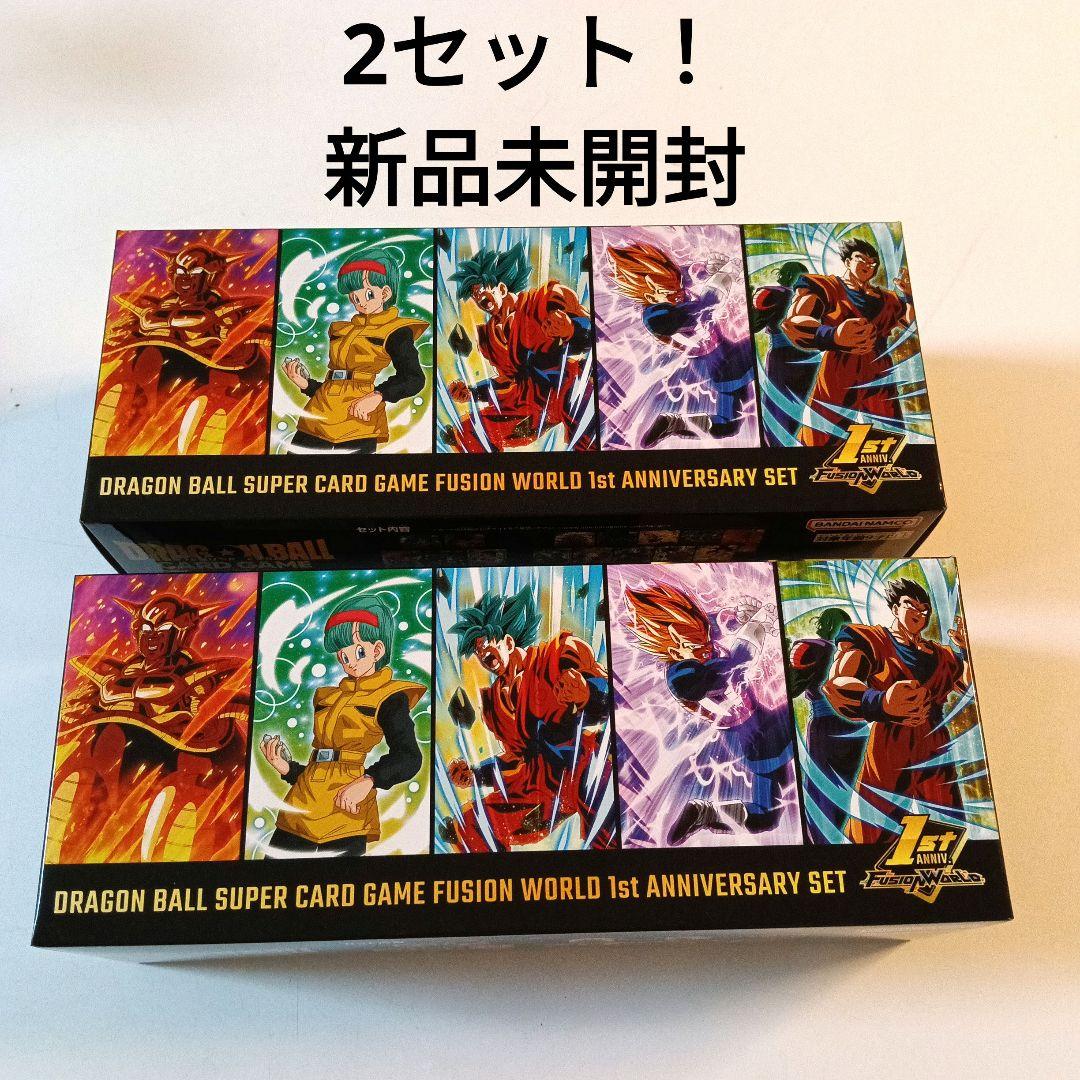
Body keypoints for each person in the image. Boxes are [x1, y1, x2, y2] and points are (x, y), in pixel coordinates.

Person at [439, 586, 614, 851]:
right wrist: (476, 774)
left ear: (509, 642)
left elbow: (611, 697)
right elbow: (515, 760)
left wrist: (588, 693)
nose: (482, 654)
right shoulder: (495, 705)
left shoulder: (556, 656)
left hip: (583, 766)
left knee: (608, 836)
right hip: (540, 788)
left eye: (486, 644)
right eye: (477, 650)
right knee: (472, 826)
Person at [622, 583, 792, 843]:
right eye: (697, 645)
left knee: (767, 815)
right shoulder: (682, 676)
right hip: (751, 739)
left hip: (761, 719)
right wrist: (754, 629)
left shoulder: (695, 638)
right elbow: (733, 665)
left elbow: (714, 624)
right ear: (674, 649)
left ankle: (705, 813)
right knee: (798, 723)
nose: (707, 647)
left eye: (705, 639)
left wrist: (738, 614)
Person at [260, 597, 424, 856]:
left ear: (377, 650)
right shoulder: (327, 696)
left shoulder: (390, 698)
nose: (350, 662)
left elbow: (409, 756)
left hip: (346, 807)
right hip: (301, 806)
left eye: (358, 652)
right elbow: (323, 765)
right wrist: (287, 768)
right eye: (343, 656)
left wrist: (370, 780)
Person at [823, 577, 970, 843]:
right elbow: (839, 683)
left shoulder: (942, 655)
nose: (919, 613)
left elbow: (966, 684)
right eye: (910, 605)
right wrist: (880, 702)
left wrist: (966, 652)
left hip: (934, 745)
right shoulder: (871, 640)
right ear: (894, 608)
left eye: (924, 609)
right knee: (874, 831)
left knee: (946, 832)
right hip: (890, 745)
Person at [443, 243, 594, 451]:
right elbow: (507, 381)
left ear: (501, 288)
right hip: (530, 404)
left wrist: (571, 329)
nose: (477, 298)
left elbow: (593, 333)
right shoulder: (490, 338)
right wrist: (473, 392)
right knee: (469, 432)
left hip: (568, 388)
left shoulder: (542, 301)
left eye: (480, 290)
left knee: (589, 438)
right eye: (473, 295)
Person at [606, 241, 754, 447]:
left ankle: (674, 423)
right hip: (718, 365)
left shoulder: (668, 286)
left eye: (678, 287)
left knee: (728, 425)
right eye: (672, 293)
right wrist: (722, 278)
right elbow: (704, 306)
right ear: (649, 295)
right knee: (757, 353)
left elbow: (686, 275)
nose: (680, 293)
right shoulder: (657, 317)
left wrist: (708, 267)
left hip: (725, 352)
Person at [283, 251, 427, 453]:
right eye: (353, 297)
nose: (360, 302)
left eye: (368, 294)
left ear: (385, 293)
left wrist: (379, 395)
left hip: (359, 417)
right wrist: (306, 384)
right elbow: (338, 383)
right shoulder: (342, 329)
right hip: (319, 414)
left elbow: (414, 378)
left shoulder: (396, 331)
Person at [780, 237, 914, 447]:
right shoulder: (827, 287)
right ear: (847, 261)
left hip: (879, 374)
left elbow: (908, 321)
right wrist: (832, 336)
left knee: (888, 442)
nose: (869, 266)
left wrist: (909, 297)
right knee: (821, 440)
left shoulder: (888, 299)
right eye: (862, 259)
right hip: (839, 372)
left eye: (873, 263)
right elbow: (795, 321)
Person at [787, 606, 866, 841]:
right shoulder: (858, 653)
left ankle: (822, 842)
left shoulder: (812, 647)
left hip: (827, 726)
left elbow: (792, 688)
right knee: (844, 791)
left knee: (823, 791)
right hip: (856, 729)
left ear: (825, 625)